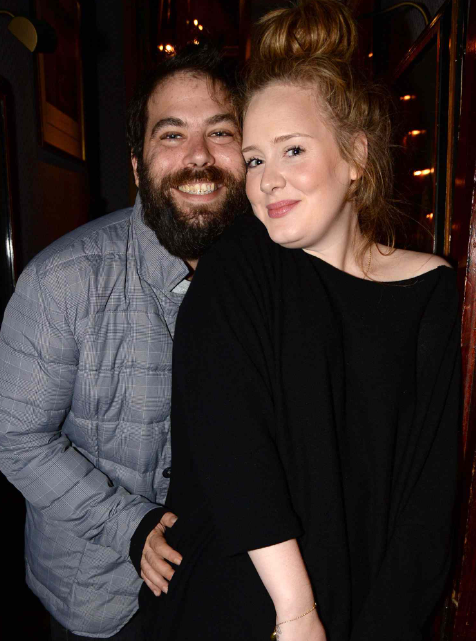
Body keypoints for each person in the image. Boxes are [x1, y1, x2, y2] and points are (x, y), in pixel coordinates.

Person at [140, 2, 461, 640]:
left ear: (356, 156)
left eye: (292, 150)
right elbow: (234, 452)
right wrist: (296, 613)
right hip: (237, 607)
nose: (268, 181)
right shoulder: (236, 264)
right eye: (255, 159)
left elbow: (429, 498)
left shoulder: (433, 289)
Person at [0, 44, 247, 640]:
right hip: (101, 597)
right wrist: (128, 525)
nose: (199, 156)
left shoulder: (270, 281)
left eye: (220, 132)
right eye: (172, 135)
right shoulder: (63, 282)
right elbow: (14, 438)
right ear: (137, 167)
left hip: (221, 589)